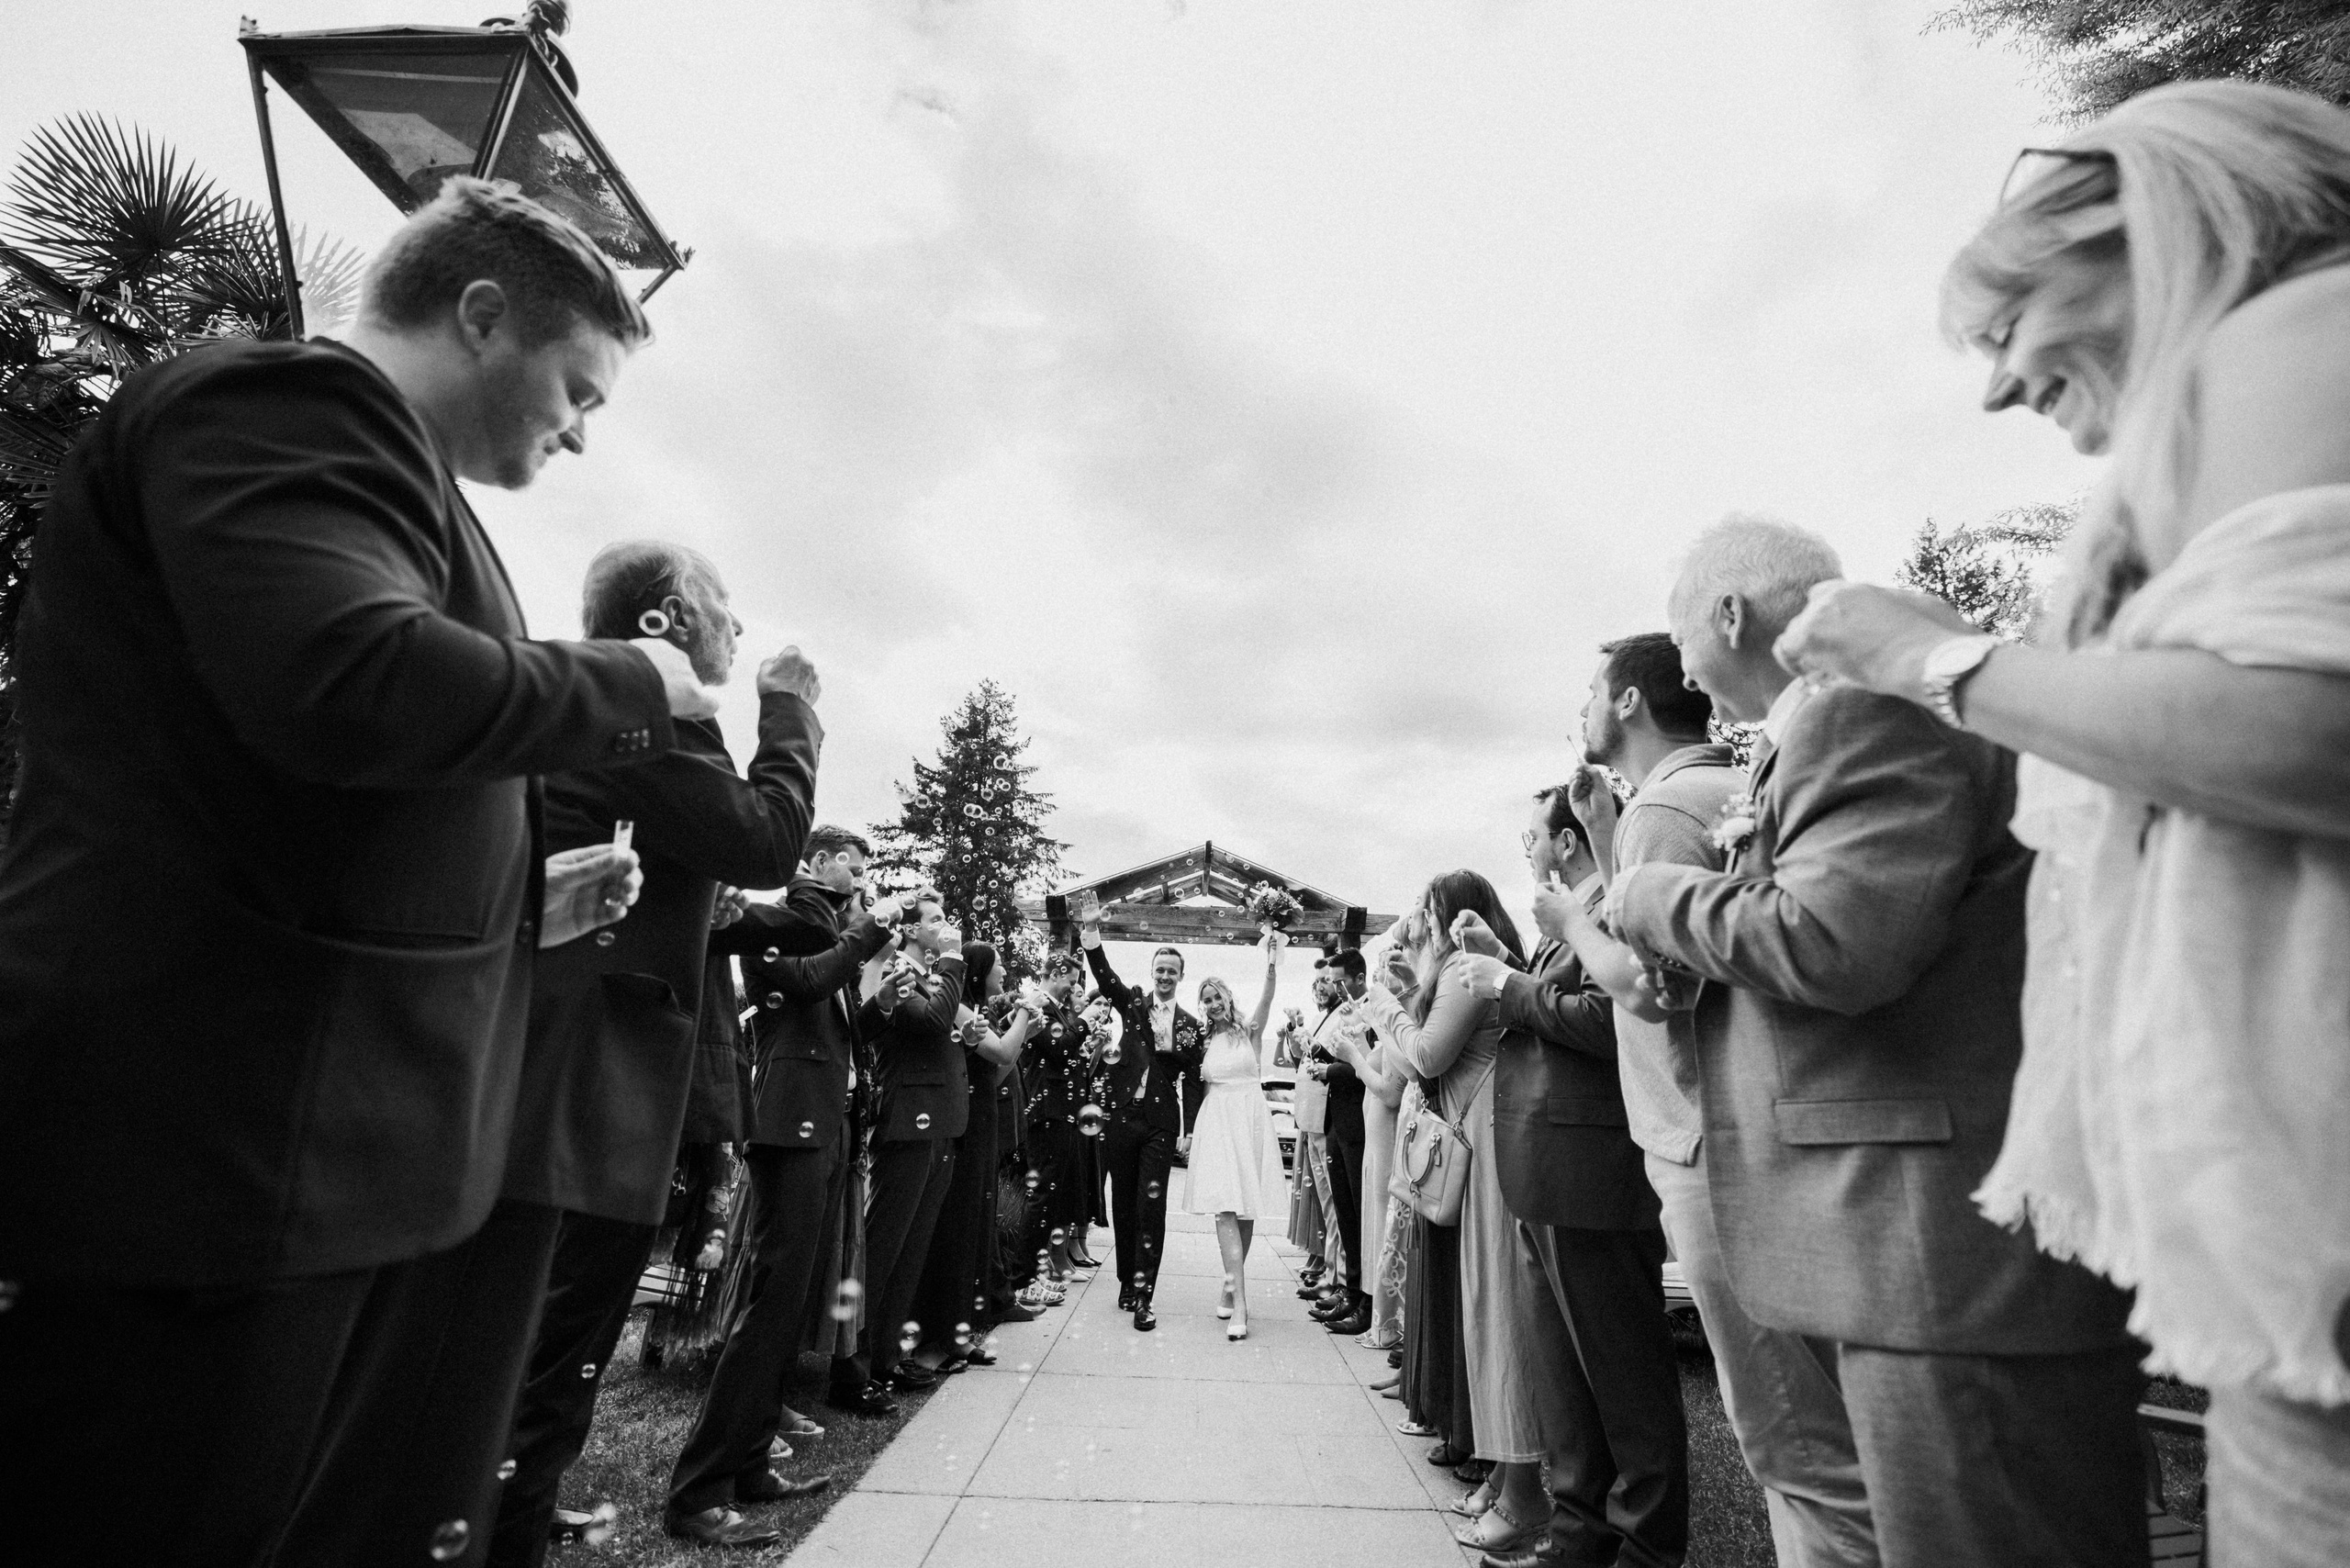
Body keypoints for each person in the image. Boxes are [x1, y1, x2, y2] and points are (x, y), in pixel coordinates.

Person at [0, 177, 711, 1566]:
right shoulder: (286, 406)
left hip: (287, 1157)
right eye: (579, 390)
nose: (580, 432)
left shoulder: (390, 468)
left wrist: (519, 902)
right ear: (482, 313)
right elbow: (351, 679)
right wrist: (637, 682)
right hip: (201, 1149)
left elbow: (314, 805)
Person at [1774, 80, 2350, 1567]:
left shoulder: (2299, 327)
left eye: (2010, 320)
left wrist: (1932, 658)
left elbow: (2304, 726)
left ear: (2155, 230)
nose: (1994, 389)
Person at [1606, 515, 2142, 1568]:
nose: (1683, 665)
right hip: (1899, 1244)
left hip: (1933, 1252)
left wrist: (1647, 895)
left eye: (1682, 630)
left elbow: (1837, 940)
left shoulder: (1865, 707)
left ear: (1729, 613)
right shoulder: (1829, 721)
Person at [351, 543, 814, 1568]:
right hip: (578, 1091)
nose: (739, 625)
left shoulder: (626, 720)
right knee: (539, 1358)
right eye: (723, 603)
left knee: (541, 1355)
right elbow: (763, 838)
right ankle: (499, 1524)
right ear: (665, 619)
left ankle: (506, 1510)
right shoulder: (636, 712)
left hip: (589, 1082)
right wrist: (790, 712)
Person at [1547, 633, 1874, 1568]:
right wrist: (1606, 840)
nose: (1582, 706)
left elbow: (1653, 987)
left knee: (1790, 1436)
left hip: (1704, 1144)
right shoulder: (1718, 789)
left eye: (1591, 688)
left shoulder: (1660, 808)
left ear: (1628, 702)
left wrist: (1570, 919)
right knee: (1820, 1422)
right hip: (1761, 1131)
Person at [1455, 785, 1688, 1568]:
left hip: (1594, 1174)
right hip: (1548, 1173)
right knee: (1565, 1383)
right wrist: (1507, 961)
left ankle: (1645, 1549)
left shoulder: (1610, 909)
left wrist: (1509, 987)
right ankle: (1578, 1538)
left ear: (1566, 841)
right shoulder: (1568, 921)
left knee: (1625, 1383)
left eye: (1532, 837)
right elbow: (1556, 1000)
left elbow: (1606, 1022)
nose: (1526, 851)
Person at [1357, 872, 1561, 1553]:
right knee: (1482, 1311)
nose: (1418, 920)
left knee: (1497, 1312)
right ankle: (1505, 1480)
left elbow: (1425, 1055)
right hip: (1481, 1140)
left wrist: (1384, 1002)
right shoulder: (1457, 968)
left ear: (1451, 914)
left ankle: (1525, 1496)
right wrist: (1407, 991)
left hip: (1491, 1145)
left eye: (1427, 909)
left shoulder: (1466, 968)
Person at [843, 899, 969, 1390]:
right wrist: (955, 958)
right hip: (905, 1125)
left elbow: (942, 1027)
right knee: (884, 1249)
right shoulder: (898, 974)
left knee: (912, 1250)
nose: (946, 926)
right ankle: (854, 1362)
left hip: (937, 1125)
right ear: (912, 930)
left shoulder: (932, 979)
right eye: (937, 919)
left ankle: (888, 1358)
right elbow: (933, 1022)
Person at [1076, 891, 1205, 1331]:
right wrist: (1091, 930)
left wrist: (1190, 1130)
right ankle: (1126, 1281)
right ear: (1152, 973)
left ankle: (1145, 1294)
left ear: (1181, 976)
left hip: (1160, 1125)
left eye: (1172, 971)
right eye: (1160, 970)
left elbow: (1195, 1082)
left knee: (1152, 1208)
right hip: (1120, 1118)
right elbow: (1104, 975)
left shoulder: (1191, 1026)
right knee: (1125, 1204)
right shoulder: (1132, 1004)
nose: (1165, 976)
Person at [904, 941, 1033, 1373]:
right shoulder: (958, 1008)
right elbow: (1001, 1052)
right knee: (956, 1233)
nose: (1004, 973)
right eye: (999, 966)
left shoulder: (974, 1011)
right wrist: (1024, 1015)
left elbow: (995, 1072)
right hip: (964, 1128)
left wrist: (1024, 1036)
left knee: (975, 1233)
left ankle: (959, 1335)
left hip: (982, 1123)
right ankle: (935, 1339)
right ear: (979, 971)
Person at [1181, 934, 1292, 1340]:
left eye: (1216, 996)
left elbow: (1268, 994)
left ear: (1227, 996)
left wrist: (1272, 960)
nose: (1212, 1004)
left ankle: (1230, 1285)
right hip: (1217, 1120)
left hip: (1250, 1117)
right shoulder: (1201, 1040)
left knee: (1245, 1211)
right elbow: (1193, 1084)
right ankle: (1241, 1302)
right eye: (1205, 1000)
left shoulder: (1250, 1031)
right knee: (1225, 1208)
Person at [1317, 951, 1404, 1346]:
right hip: (1349, 1120)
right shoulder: (1354, 1012)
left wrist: (1346, 1055)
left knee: (1368, 1216)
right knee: (1353, 1217)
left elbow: (1376, 1072)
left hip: (1368, 1124)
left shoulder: (1383, 1014)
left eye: (1340, 980)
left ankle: (1369, 1304)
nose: (1335, 988)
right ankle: (1355, 1295)